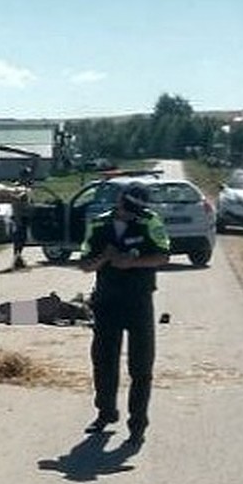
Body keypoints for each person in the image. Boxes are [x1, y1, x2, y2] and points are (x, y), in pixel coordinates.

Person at [79, 183, 170, 447]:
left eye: (136, 211)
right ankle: (105, 412)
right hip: (107, 300)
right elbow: (84, 263)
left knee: (141, 365)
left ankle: (137, 424)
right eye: (128, 209)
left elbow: (163, 255)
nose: (132, 215)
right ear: (120, 202)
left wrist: (132, 262)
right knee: (103, 360)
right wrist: (104, 259)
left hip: (139, 300)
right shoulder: (98, 224)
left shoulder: (150, 221)